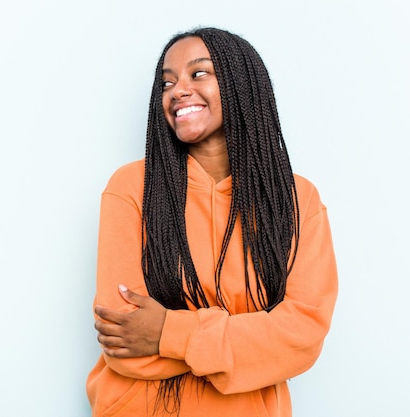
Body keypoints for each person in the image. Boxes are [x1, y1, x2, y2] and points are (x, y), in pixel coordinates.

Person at [87, 27, 337, 417]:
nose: (177, 90)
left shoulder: (296, 200)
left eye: (198, 73)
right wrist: (249, 345)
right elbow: (124, 340)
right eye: (167, 82)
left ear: (240, 83)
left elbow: (302, 338)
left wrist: (168, 333)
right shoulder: (131, 187)